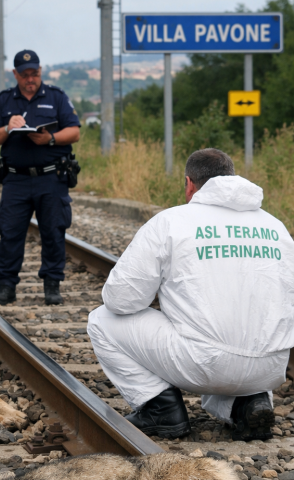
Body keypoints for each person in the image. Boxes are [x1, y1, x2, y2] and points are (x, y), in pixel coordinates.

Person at [87, 148, 294, 442]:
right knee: (236, 333)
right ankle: (249, 402)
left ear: (189, 184)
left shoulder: (171, 221)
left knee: (101, 319)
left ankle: (161, 409)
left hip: (203, 364)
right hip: (269, 368)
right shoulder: (275, 227)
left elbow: (120, 300)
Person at [0, 50, 80, 306]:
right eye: (25, 74)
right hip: (16, 180)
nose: (30, 79)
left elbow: (74, 132)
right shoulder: (5, 100)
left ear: (41, 72)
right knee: (10, 232)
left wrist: (50, 139)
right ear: (15, 74)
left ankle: (52, 285)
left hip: (51, 178)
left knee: (53, 231)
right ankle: (6, 286)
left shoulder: (56, 97)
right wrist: (8, 128)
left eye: (34, 74)